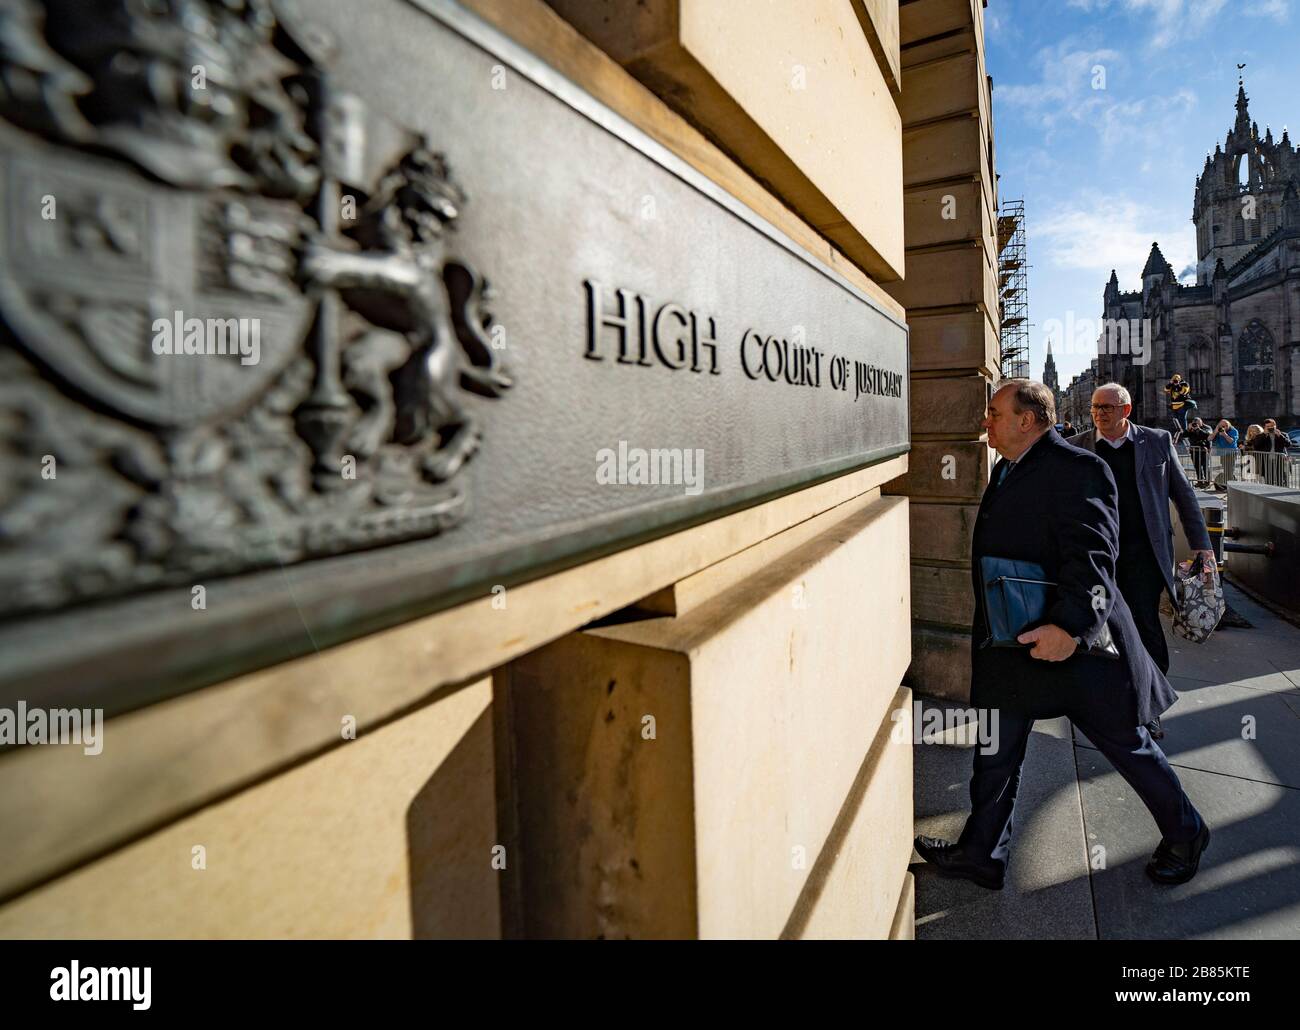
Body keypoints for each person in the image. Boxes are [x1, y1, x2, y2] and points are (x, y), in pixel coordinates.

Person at [913, 381, 1209, 890]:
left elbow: (1095, 557)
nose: (986, 422)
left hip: (1075, 649)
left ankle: (1186, 833)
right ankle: (981, 853)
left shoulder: (1081, 468)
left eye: (994, 413)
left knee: (1127, 746)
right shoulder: (1008, 467)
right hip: (1013, 646)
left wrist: (1071, 629)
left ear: (1027, 420)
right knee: (996, 751)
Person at [1067, 384, 1215, 739]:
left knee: (1145, 626)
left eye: (1107, 407)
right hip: (1098, 557)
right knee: (1100, 627)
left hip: (1144, 555)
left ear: (1126, 410)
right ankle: (1110, 698)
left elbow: (1184, 495)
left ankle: (1151, 705)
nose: (1100, 413)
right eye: (1095, 407)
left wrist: (1202, 546)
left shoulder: (1157, 442)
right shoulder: (1077, 446)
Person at [1249, 418, 1293, 486]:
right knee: (1269, 480)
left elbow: (1288, 444)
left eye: (1272, 426)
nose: (1270, 428)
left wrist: (1280, 435)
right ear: (1264, 427)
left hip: (1280, 461)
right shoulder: (1260, 436)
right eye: (1268, 427)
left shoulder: (1283, 434)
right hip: (1267, 461)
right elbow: (1256, 446)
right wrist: (1264, 434)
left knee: (1281, 479)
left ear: (1275, 426)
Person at [1164, 374, 1196, 441]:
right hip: (1174, 406)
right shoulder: (1172, 386)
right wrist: (1170, 384)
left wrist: (1178, 385)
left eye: (1176, 380)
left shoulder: (1184, 384)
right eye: (1174, 380)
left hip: (1182, 405)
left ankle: (1185, 433)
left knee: (1182, 419)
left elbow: (1184, 392)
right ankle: (1179, 432)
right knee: (1176, 420)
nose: (1175, 381)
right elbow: (1165, 390)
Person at [1185, 417, 1212, 487]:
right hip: (1194, 451)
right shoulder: (1191, 429)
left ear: (1201, 422)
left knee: (1205, 467)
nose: (1196, 424)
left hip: (1204, 451)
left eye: (1197, 423)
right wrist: (1188, 429)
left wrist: (1198, 429)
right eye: (1194, 423)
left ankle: (1207, 482)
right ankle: (1200, 481)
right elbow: (1184, 435)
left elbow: (1207, 435)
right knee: (1197, 467)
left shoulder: (1207, 427)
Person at [1212, 419, 1238, 487]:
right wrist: (1215, 432)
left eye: (1225, 426)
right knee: (1226, 470)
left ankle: (1232, 486)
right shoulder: (1218, 431)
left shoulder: (1233, 431)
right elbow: (1209, 439)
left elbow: (1231, 441)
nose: (1223, 428)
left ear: (1228, 425)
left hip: (1231, 453)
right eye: (1221, 426)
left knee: (1230, 470)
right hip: (1223, 453)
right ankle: (1228, 485)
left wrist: (1224, 434)